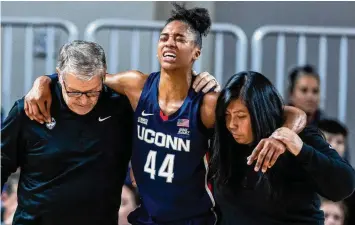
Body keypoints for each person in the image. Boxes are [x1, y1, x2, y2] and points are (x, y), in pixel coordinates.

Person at [24, 4, 306, 225]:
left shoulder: (208, 103)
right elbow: (85, 78)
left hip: (193, 219)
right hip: (147, 216)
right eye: (164, 37)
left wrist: (285, 133)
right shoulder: (135, 84)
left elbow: (289, 112)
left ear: (196, 52)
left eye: (179, 39)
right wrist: (44, 81)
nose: (169, 43)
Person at [1, 40, 136, 225]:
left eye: (92, 92)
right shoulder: (31, 108)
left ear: (104, 76)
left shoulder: (121, 108)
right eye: (74, 92)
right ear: (60, 77)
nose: (83, 101)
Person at [211, 71, 355, 225]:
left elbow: (345, 185)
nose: (232, 124)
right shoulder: (224, 141)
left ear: (261, 113)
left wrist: (301, 149)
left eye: (241, 116)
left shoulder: (300, 138)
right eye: (227, 115)